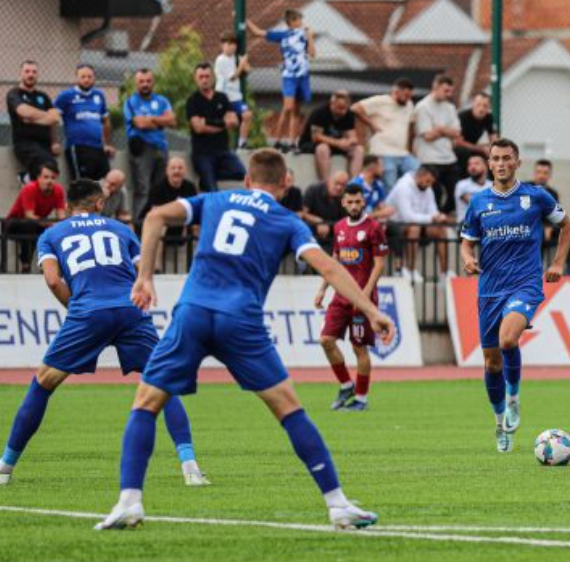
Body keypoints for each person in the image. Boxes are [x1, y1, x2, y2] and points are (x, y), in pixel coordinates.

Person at [94, 148, 393, 531]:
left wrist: (145, 278)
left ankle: (129, 501)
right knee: (289, 409)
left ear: (248, 180)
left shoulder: (215, 199)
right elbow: (329, 267)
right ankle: (337, 504)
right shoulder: (287, 221)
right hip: (241, 321)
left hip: (193, 313)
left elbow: (154, 216)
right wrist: (371, 310)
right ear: (286, 182)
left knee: (146, 403)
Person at [0, 180, 207, 488]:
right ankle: (190, 467)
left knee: (44, 383)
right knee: (162, 381)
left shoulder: (51, 234)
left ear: (68, 207)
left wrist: (78, 309)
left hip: (87, 312)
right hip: (129, 311)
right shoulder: (122, 229)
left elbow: (53, 281)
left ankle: (5, 468)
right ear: (99, 204)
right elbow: (144, 271)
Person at [460, 138, 570, 452]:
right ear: (489, 162)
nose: (500, 163)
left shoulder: (535, 196)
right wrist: (468, 258)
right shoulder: (478, 202)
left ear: (517, 162)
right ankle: (500, 424)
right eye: (495, 158)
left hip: (525, 284)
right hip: (489, 290)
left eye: (506, 158)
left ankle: (514, 399)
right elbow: (466, 240)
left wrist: (558, 262)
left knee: (508, 339)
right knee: (491, 362)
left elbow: (567, 225)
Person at [314, 183, 388, 412]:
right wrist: (323, 288)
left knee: (359, 349)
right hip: (340, 296)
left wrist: (364, 294)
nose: (354, 205)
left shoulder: (374, 227)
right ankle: (346, 384)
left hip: (362, 301)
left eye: (358, 201)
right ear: (343, 202)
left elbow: (380, 263)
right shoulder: (339, 227)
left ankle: (361, 399)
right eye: (350, 202)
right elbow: (334, 261)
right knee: (326, 340)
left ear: (363, 201)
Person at [248, 10, 315, 151]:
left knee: (297, 110)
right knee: (288, 107)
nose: (301, 22)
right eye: (298, 19)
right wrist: (245, 20)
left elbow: (312, 54)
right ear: (292, 21)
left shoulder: (304, 35)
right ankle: (277, 140)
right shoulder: (283, 35)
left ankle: (292, 142)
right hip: (289, 75)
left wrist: (310, 38)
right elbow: (258, 32)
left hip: (302, 76)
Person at [124, 68, 176, 221]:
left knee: (160, 189)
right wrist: (161, 121)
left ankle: (157, 222)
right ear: (136, 83)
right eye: (141, 81)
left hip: (161, 147)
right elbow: (139, 123)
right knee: (143, 189)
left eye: (148, 81)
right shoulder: (130, 102)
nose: (145, 84)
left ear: (153, 82)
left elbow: (172, 121)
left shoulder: (162, 100)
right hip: (141, 148)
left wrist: (151, 120)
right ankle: (140, 225)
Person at [185, 63, 246, 192]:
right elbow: (198, 128)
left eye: (207, 76)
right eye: (201, 77)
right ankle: (208, 178)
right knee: (212, 190)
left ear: (213, 78)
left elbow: (234, 122)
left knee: (241, 173)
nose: (204, 80)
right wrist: (223, 123)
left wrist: (207, 121)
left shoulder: (222, 98)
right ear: (195, 79)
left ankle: (209, 177)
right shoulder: (192, 101)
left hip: (223, 151)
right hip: (203, 154)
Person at [386, 167, 451, 282]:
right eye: (427, 181)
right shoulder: (403, 187)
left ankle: (444, 273)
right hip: (394, 224)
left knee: (441, 230)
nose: (429, 185)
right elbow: (407, 217)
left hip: (417, 223)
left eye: (431, 182)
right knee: (414, 228)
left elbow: (432, 211)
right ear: (419, 175)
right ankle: (410, 269)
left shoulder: (427, 188)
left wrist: (439, 217)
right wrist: (432, 218)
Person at [353, 78, 418, 191]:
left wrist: (410, 149)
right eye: (405, 95)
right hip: (383, 152)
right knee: (390, 182)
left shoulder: (409, 105)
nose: (407, 99)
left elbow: (411, 128)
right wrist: (371, 124)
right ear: (396, 91)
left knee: (419, 172)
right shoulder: (381, 101)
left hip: (402, 153)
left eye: (409, 96)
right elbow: (355, 108)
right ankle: (387, 207)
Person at [55, 64, 115, 181]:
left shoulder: (99, 95)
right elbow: (52, 118)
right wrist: (54, 141)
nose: (86, 79)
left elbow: (106, 121)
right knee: (82, 186)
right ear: (76, 78)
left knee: (104, 185)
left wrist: (107, 143)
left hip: (98, 148)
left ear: (94, 78)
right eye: (83, 77)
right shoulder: (66, 96)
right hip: (78, 147)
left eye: (89, 76)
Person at [414, 75, 463, 214]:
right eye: (446, 90)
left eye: (450, 91)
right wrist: (446, 131)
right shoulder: (423, 107)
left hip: (449, 158)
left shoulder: (450, 107)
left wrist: (439, 129)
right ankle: (435, 224)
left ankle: (444, 216)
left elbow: (457, 132)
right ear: (435, 87)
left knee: (455, 193)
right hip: (429, 159)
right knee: (435, 195)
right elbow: (427, 136)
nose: (449, 94)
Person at [6, 60, 61, 181]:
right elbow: (23, 112)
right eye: (27, 71)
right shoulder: (14, 94)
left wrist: (54, 142)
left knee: (50, 171)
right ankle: (27, 179)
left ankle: (27, 178)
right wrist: (46, 116)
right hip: (25, 145)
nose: (31, 74)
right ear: (20, 74)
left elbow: (55, 118)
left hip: (45, 146)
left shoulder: (43, 96)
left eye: (34, 72)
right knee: (47, 168)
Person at [6, 163, 66, 271]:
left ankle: (50, 266)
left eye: (53, 178)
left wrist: (59, 226)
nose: (49, 181)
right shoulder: (29, 189)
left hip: (36, 223)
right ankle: (26, 264)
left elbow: (61, 216)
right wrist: (51, 224)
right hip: (13, 223)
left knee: (54, 231)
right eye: (46, 177)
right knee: (30, 227)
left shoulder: (58, 190)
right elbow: (29, 215)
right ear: (38, 178)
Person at [300, 90, 363, 181]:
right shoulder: (320, 112)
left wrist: (350, 142)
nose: (343, 111)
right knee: (323, 148)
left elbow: (352, 135)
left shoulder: (348, 114)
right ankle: (326, 183)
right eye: (339, 108)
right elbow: (316, 137)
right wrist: (338, 143)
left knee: (358, 150)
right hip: (312, 143)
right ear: (332, 104)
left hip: (336, 145)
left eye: (345, 108)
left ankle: (354, 184)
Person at [213, 32, 252, 150]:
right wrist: (241, 64)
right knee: (229, 123)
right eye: (228, 44)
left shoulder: (234, 58)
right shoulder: (221, 59)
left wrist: (243, 61)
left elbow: (248, 69)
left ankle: (242, 143)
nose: (232, 46)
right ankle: (221, 145)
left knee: (247, 115)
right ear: (222, 45)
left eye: (234, 44)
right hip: (224, 96)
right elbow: (233, 77)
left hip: (236, 97)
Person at [455, 92, 497, 173]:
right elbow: (458, 142)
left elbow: (494, 139)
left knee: (493, 156)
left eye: (485, 106)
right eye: (478, 105)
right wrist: (481, 149)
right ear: (473, 104)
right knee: (463, 153)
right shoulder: (462, 117)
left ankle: (493, 182)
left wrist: (492, 149)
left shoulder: (489, 117)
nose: (481, 109)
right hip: (459, 149)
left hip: (474, 147)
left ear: (489, 107)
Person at [301, 172, 349, 242]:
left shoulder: (346, 196)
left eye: (343, 185)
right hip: (311, 232)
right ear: (328, 181)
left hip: (334, 234)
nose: (339, 187)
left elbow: (347, 221)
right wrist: (317, 223)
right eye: (336, 183)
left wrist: (328, 227)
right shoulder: (313, 190)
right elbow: (302, 214)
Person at [349, 155, 394, 220]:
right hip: (356, 225)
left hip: (371, 223)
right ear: (372, 167)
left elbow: (382, 205)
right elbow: (356, 216)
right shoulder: (355, 185)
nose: (383, 169)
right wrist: (381, 213)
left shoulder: (378, 184)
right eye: (381, 166)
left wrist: (385, 211)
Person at [454, 153, 491, 222]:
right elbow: (475, 203)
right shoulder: (462, 184)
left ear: (486, 166)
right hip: (466, 224)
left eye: (476, 164)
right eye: (469, 164)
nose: (472, 167)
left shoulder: (492, 185)